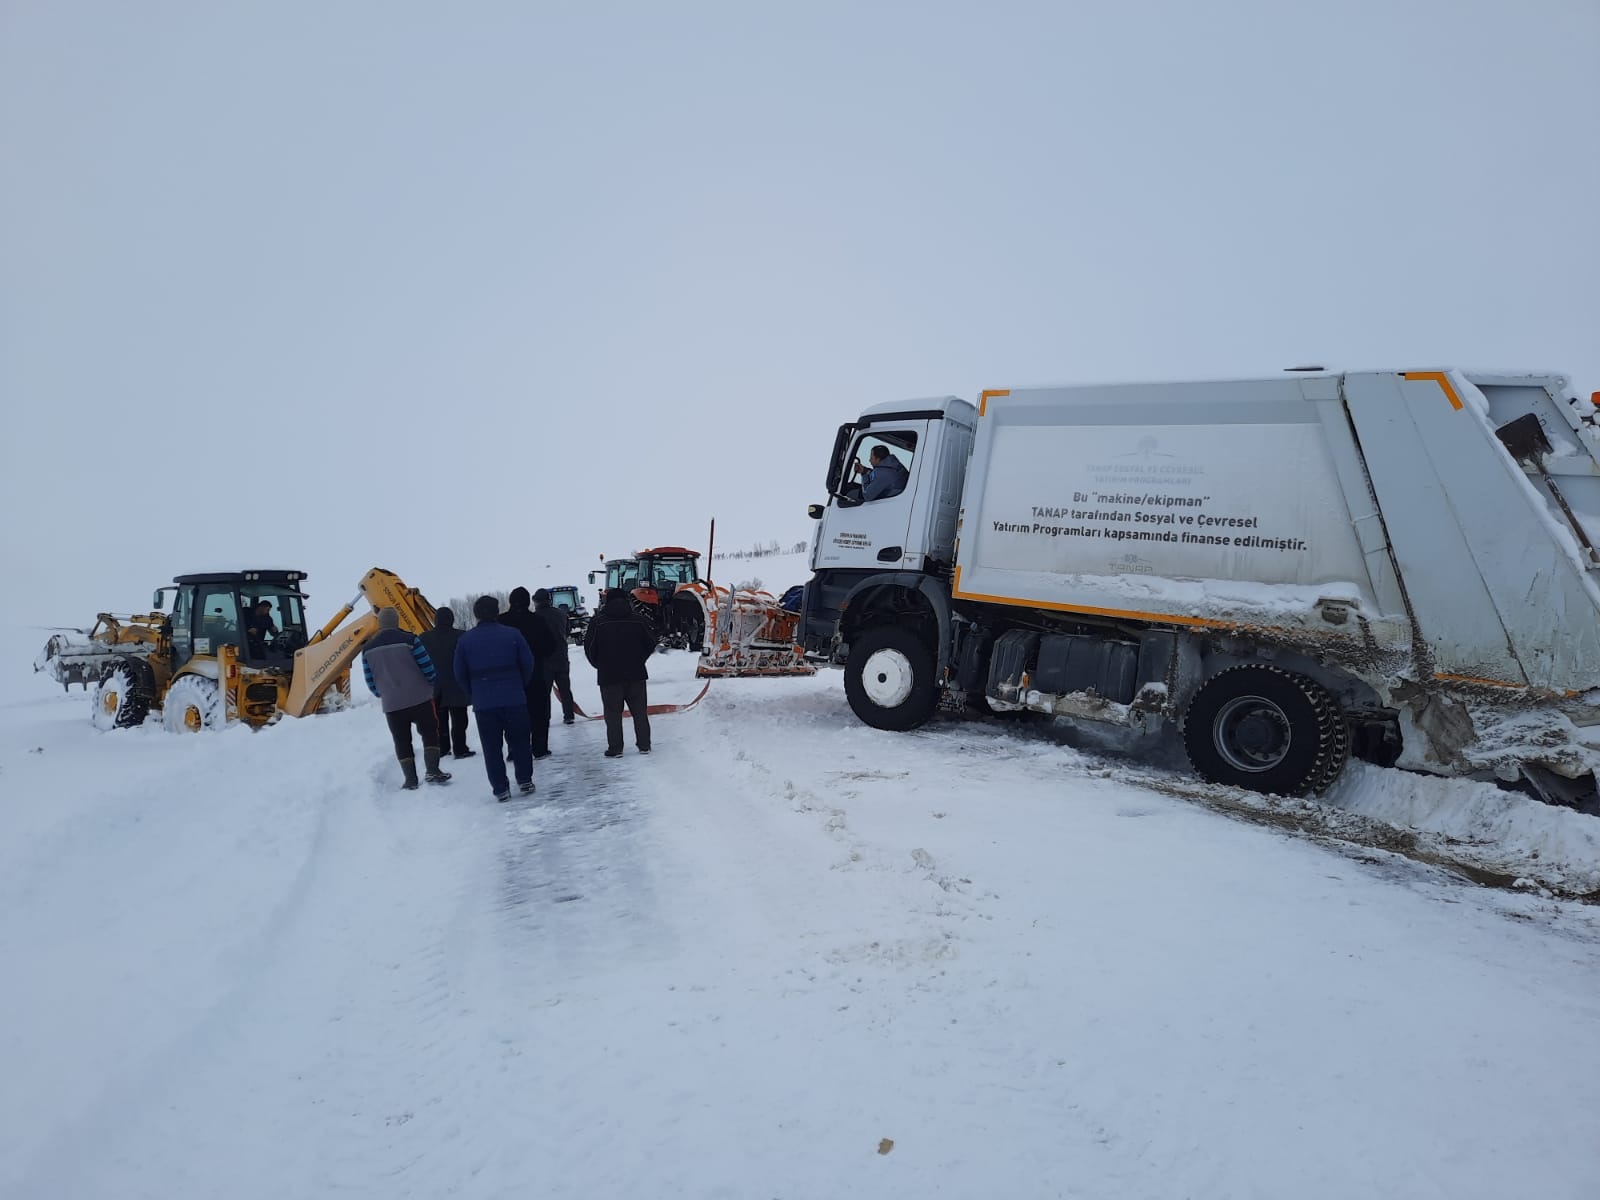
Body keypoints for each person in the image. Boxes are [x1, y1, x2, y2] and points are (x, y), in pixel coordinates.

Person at [454, 594, 536, 801]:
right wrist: (519, 684)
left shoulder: (465, 641)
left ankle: (500, 788)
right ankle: (525, 779)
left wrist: (474, 692)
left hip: (484, 702)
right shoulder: (513, 635)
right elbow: (528, 663)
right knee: (520, 741)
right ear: (497, 612)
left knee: (491, 747)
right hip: (514, 698)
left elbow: (459, 673)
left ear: (476, 614)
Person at [361, 607, 451, 790]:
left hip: (392, 704)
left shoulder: (368, 649)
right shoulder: (410, 640)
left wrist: (383, 694)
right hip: (420, 698)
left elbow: (370, 680)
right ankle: (433, 770)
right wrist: (431, 683)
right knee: (430, 732)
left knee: (401, 740)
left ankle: (410, 779)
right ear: (396, 621)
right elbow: (427, 666)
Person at [584, 588, 657, 758]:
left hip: (609, 676)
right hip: (636, 674)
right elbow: (651, 642)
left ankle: (616, 748)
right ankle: (644, 745)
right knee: (640, 712)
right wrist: (640, 659)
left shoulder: (598, 622)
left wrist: (600, 665)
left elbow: (589, 648)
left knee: (613, 714)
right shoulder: (639, 620)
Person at [501, 585, 564, 760]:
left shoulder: (501, 622)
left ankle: (514, 749)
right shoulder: (537, 621)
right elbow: (551, 646)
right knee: (539, 712)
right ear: (529, 601)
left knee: (512, 715)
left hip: (509, 677)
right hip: (535, 673)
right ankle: (540, 747)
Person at [420, 605, 475, 759]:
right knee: (459, 720)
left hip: (435, 686)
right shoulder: (462, 636)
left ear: (436, 620)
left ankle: (442, 748)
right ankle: (460, 748)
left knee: (439, 720)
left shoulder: (424, 638)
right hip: (457, 685)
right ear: (452, 620)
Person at [533, 588, 578, 726]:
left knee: (544, 693)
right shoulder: (561, 614)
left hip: (544, 660)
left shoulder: (534, 617)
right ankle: (569, 715)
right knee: (565, 689)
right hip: (561, 657)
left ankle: (544, 718)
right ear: (550, 600)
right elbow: (567, 632)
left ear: (535, 601)